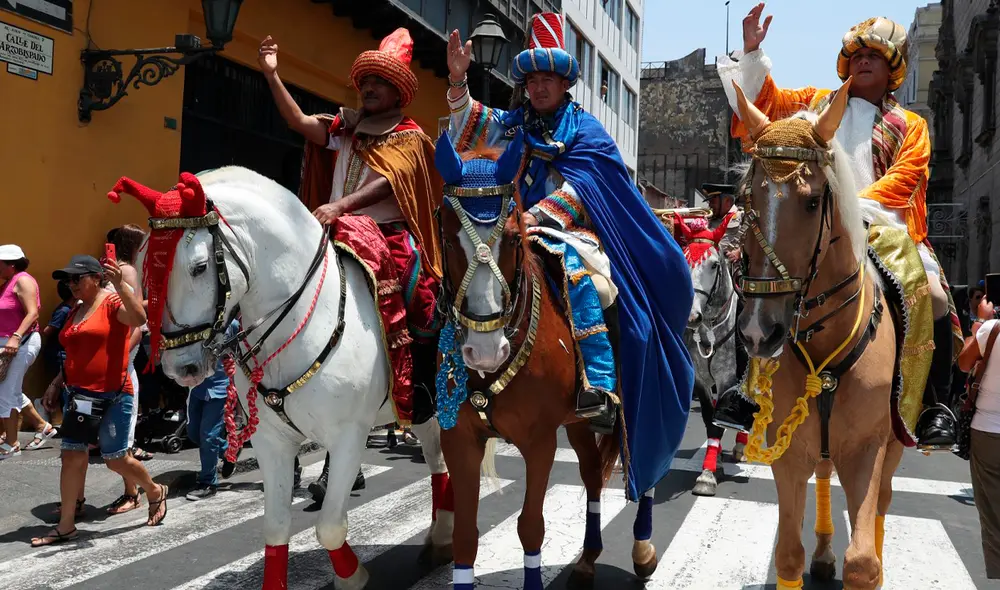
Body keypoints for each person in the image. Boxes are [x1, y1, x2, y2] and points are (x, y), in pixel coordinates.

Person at [446, 12, 694, 498]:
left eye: (548, 79)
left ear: (564, 84)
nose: (538, 87)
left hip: (571, 231)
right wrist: (458, 80)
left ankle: (598, 384)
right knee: (464, 268)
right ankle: (447, 374)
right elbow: (473, 122)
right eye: (532, 80)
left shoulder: (587, 131)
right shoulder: (513, 124)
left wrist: (537, 216)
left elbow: (587, 187)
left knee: (587, 279)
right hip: (513, 228)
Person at [714, 4, 962, 447]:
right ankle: (745, 391)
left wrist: (849, 207)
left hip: (883, 227)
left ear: (892, 68)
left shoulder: (910, 125)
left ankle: (932, 405)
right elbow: (766, 107)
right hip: (813, 221)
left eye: (875, 56)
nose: (864, 61)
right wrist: (751, 51)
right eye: (857, 55)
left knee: (934, 293)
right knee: (754, 274)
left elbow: (904, 179)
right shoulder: (814, 104)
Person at [259, 28, 444, 499]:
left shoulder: (412, 137)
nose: (369, 88)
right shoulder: (345, 127)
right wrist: (272, 75)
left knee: (421, 297)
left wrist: (342, 206)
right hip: (333, 230)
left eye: (380, 82)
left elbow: (390, 181)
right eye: (366, 81)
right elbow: (299, 121)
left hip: (387, 236)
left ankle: (424, 385)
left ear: (398, 91)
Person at [33, 255, 166, 547]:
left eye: (76, 278)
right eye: (68, 280)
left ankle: (154, 490)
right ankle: (66, 525)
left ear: (96, 278)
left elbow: (139, 320)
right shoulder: (77, 309)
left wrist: (121, 285)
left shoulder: (112, 302)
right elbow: (75, 353)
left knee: (115, 459)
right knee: (71, 456)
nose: (71, 284)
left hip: (113, 395)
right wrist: (56, 383)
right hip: (79, 396)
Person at [957, 295, 1000, 578]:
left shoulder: (992, 329)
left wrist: (980, 322)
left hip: (989, 430)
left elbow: (963, 363)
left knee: (994, 515)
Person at [186, 320, 240, 501]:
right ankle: (228, 451)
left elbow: (238, 357)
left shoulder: (232, 326)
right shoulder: (194, 322)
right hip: (197, 387)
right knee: (194, 433)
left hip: (219, 389)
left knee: (208, 436)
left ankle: (208, 483)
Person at [0, 244, 41, 460]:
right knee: (9, 390)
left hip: (20, 343)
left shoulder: (23, 280)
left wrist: (16, 337)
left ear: (11, 264)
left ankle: (12, 443)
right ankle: (42, 426)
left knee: (7, 392)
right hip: (8, 344)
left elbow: (32, 313)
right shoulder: (7, 283)